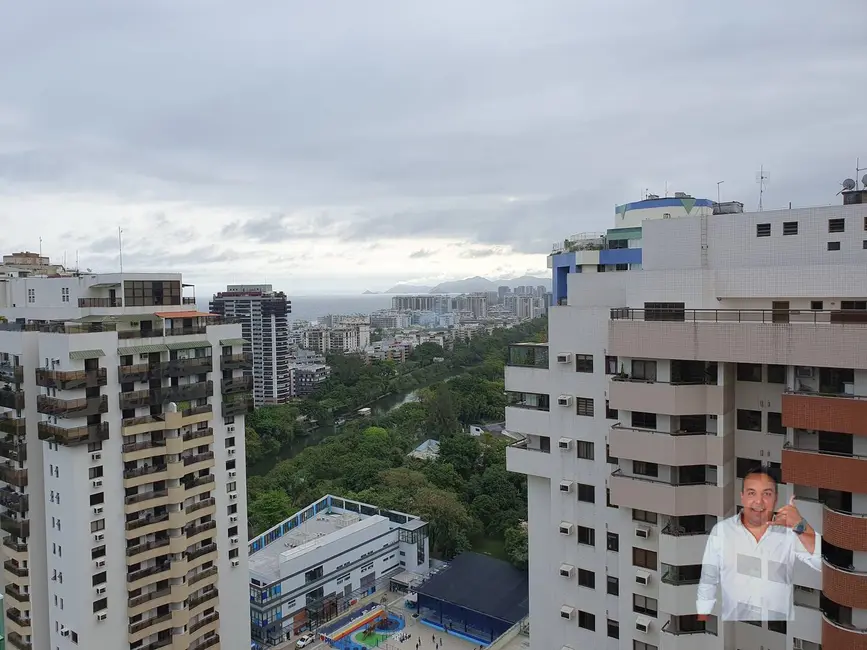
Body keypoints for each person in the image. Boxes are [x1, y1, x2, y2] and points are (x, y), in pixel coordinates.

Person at [696, 467, 821, 622]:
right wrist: (703, 615)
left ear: (776, 498)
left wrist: (801, 525)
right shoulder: (721, 531)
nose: (759, 501)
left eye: (767, 494)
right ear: (742, 497)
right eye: (751, 493)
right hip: (734, 626)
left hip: (777, 628)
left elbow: (822, 563)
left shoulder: (790, 534)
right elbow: (708, 577)